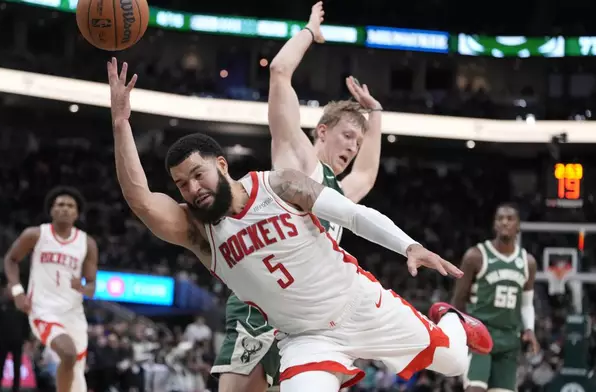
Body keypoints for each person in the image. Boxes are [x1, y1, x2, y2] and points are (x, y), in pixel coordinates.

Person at [108, 57, 493, 392]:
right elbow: (141, 199)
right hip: (307, 339)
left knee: (456, 362)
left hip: (360, 304)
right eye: (182, 184)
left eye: (198, 174)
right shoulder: (199, 232)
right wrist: (121, 124)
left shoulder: (278, 184)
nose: (193, 189)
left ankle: (452, 319)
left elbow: (353, 215)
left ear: (221, 165)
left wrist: (408, 245)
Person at [213, 3, 384, 390]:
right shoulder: (300, 160)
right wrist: (310, 32)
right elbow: (278, 71)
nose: (353, 147)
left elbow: (368, 173)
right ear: (322, 131)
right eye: (347, 136)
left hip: (305, 320)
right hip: (263, 306)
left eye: (358, 142)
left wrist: (376, 114)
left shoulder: (341, 192)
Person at [3, 186, 99, 392]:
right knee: (68, 354)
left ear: (77, 213)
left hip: (74, 314)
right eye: (60, 205)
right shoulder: (36, 234)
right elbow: (11, 259)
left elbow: (92, 286)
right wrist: (17, 291)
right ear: (52, 210)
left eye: (70, 206)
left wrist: (82, 287)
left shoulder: (87, 243)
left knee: (76, 374)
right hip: (43, 310)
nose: (65, 209)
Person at [451, 203, 539, 392]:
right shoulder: (475, 256)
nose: (505, 222)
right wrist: (455, 331)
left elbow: (526, 304)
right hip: (480, 334)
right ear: (494, 225)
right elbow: (458, 299)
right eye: (500, 218)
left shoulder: (527, 262)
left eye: (510, 218)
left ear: (518, 226)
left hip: (509, 339)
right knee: (476, 389)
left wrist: (530, 329)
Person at [0, 287, 31, 392]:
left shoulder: (21, 306)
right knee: (0, 366)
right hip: (3, 340)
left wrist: (27, 339)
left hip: (17, 341)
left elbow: (26, 323)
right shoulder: (0, 304)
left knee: (17, 367)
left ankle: (15, 389)